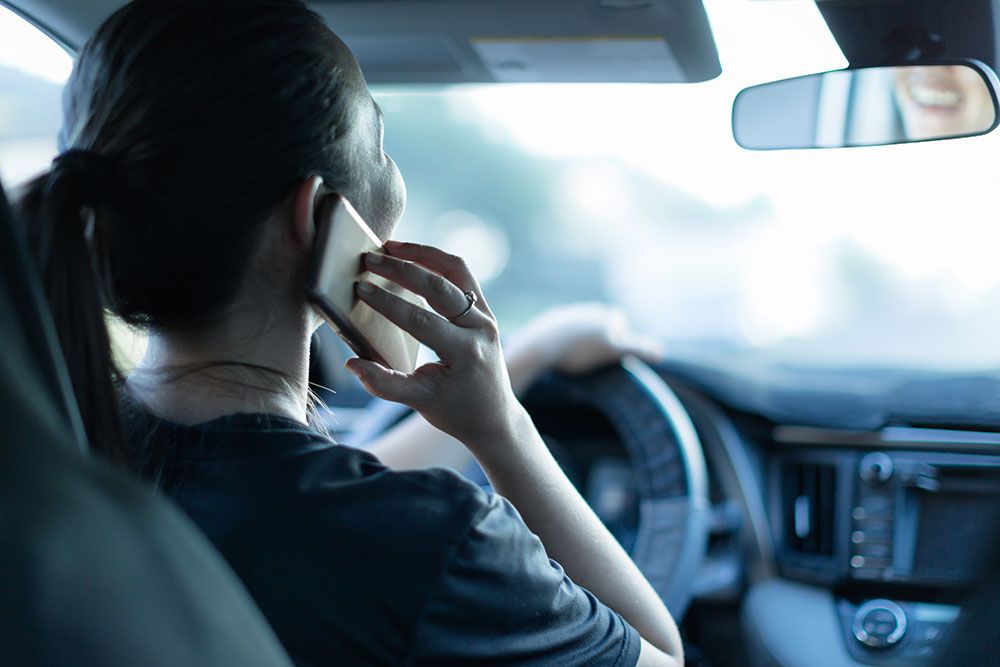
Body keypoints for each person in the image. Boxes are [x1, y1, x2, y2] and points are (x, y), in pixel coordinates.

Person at [15, 1, 683, 665]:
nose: (392, 174)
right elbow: (662, 655)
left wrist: (533, 355)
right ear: (312, 216)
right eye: (381, 144)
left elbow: (312, 501)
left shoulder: (48, 453)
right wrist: (501, 426)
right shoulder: (442, 548)